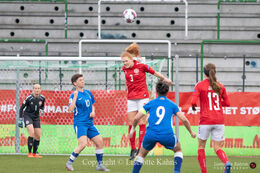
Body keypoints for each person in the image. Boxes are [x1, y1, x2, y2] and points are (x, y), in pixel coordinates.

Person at [129, 80, 196, 173]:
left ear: (157, 91)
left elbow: (136, 118)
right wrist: (191, 132)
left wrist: (132, 129)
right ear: (167, 91)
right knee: (178, 149)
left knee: (141, 154)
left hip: (151, 134)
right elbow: (184, 119)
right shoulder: (172, 105)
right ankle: (176, 171)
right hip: (166, 134)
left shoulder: (150, 103)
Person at [122, 42, 173, 160]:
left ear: (131, 59)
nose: (124, 63)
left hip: (142, 97)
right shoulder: (124, 69)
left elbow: (155, 73)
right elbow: (127, 79)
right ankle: (132, 149)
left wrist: (165, 79)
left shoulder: (141, 66)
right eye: (123, 62)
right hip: (131, 98)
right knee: (131, 123)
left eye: (126, 61)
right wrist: (127, 86)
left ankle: (140, 148)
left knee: (142, 122)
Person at [191, 63, 231, 173]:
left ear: (204, 73)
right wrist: (217, 104)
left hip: (205, 120)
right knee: (217, 147)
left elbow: (193, 102)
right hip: (219, 120)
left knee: (201, 146)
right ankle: (226, 162)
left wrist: (194, 107)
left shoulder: (199, 85)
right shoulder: (221, 86)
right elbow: (227, 103)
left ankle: (204, 171)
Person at [65, 74, 109, 172]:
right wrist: (75, 96)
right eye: (80, 80)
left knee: (100, 142)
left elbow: (92, 104)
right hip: (80, 123)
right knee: (83, 144)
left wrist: (93, 111)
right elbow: (70, 109)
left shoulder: (88, 93)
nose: (83, 81)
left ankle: (99, 165)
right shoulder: (73, 95)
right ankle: (69, 163)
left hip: (89, 123)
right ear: (75, 83)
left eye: (83, 80)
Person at [18, 84, 45, 158]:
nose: (37, 90)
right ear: (33, 89)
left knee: (38, 136)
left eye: (38, 88)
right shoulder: (28, 98)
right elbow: (21, 109)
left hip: (36, 117)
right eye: (35, 88)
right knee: (31, 133)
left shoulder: (42, 98)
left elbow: (42, 106)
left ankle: (34, 153)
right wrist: (20, 119)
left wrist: (42, 110)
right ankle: (29, 153)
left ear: (40, 90)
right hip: (28, 116)